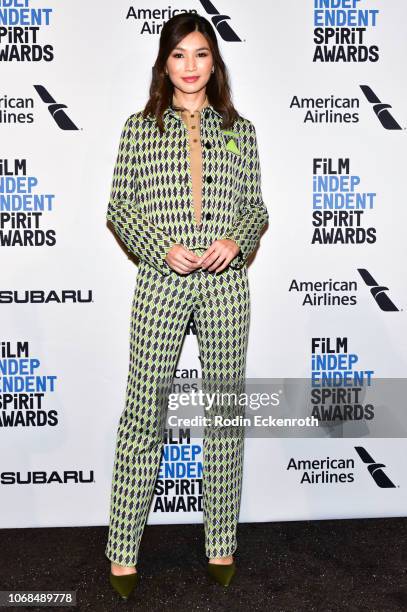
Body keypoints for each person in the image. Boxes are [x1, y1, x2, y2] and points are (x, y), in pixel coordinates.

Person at [105, 12, 269, 601]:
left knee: (223, 415)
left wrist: (237, 242)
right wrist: (160, 248)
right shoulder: (138, 128)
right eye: (180, 55)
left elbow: (256, 209)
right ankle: (123, 549)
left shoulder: (239, 130)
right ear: (164, 63)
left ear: (214, 62)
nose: (191, 66)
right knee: (143, 412)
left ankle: (220, 543)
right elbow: (119, 209)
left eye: (201, 54)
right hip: (162, 282)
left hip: (226, 287)